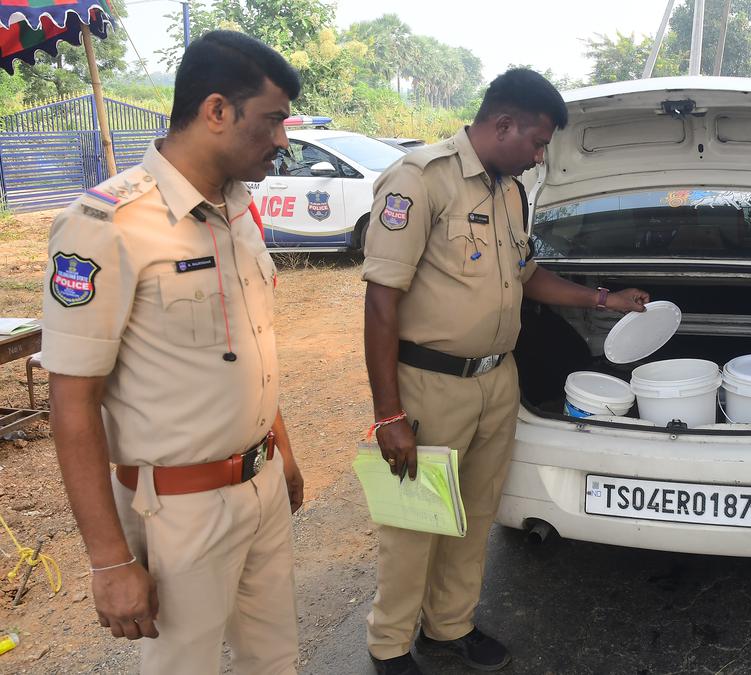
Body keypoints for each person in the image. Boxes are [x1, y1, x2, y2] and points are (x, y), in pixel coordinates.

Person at [361, 68, 648, 675]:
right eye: (538, 143)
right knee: (415, 521)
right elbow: (381, 301)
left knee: (473, 512)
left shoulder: (509, 191)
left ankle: (449, 628)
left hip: (497, 381)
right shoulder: (420, 180)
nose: (541, 156)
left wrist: (604, 299)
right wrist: (388, 413)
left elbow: (526, 276)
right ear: (503, 124)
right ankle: (389, 646)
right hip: (427, 384)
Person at [41, 31, 305, 674]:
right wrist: (109, 560)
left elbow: (245, 351)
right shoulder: (107, 225)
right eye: (272, 121)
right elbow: (72, 404)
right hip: (180, 512)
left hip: (262, 483)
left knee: (274, 659)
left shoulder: (239, 208)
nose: (283, 141)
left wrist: (284, 454)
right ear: (217, 111)